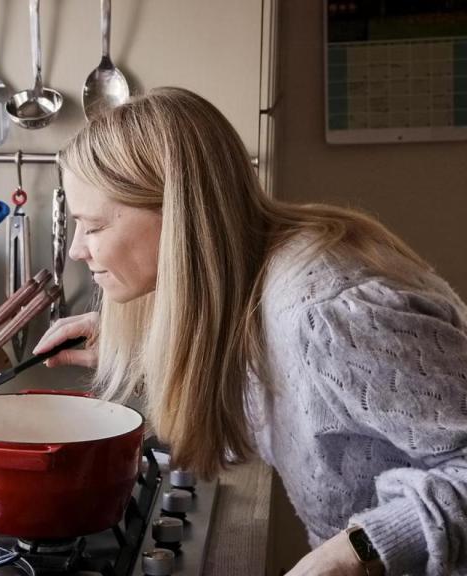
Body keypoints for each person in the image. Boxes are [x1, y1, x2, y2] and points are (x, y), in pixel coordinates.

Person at [33, 87, 467, 576]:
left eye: (91, 227)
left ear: (175, 215)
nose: (76, 251)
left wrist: (354, 554)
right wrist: (143, 344)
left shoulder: (325, 314)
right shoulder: (253, 279)